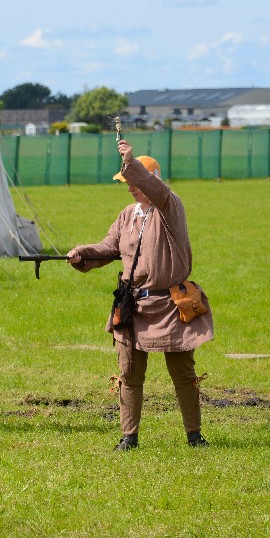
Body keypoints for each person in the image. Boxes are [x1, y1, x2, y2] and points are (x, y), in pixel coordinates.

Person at [67, 139, 213, 451]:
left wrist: (131, 164)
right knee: (128, 374)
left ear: (151, 180)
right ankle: (128, 438)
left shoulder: (169, 206)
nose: (130, 188)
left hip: (172, 305)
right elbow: (109, 248)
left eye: (133, 181)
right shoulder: (127, 215)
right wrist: (82, 253)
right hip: (133, 305)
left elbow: (156, 191)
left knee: (183, 374)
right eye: (126, 183)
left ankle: (194, 437)